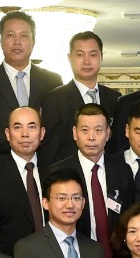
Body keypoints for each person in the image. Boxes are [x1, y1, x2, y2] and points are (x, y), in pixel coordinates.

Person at [0, 10, 64, 162]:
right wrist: (21, 139)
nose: (17, 41)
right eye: (10, 35)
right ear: (1, 41)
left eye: (24, 35)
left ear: (33, 41)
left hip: (44, 166)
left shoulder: (53, 81)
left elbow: (58, 130)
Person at [48, 104, 130, 258]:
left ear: (108, 134)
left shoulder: (122, 171)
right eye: (85, 130)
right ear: (75, 133)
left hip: (118, 257)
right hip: (74, 255)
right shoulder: (58, 173)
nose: (91, 137)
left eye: (98, 130)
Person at [38, 32, 121, 167]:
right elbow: (49, 151)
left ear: (101, 57)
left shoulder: (115, 99)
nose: (86, 61)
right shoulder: (54, 99)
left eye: (93, 55)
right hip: (69, 175)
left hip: (108, 174)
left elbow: (118, 145)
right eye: (80, 55)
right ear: (70, 58)